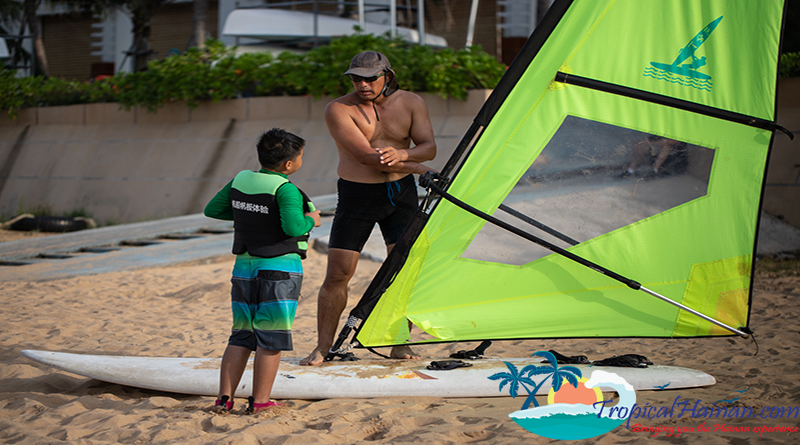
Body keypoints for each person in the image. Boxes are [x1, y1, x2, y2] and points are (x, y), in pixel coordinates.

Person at [300, 51, 437, 366]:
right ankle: (323, 347)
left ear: (387, 75)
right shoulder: (338, 109)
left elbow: (428, 146)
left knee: (402, 269)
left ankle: (399, 343)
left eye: (369, 78)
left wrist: (402, 157)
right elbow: (365, 156)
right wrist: (414, 165)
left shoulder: (412, 103)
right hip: (358, 196)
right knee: (338, 272)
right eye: (356, 78)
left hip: (401, 196)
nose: (362, 84)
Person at [204, 128, 322, 414]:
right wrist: (312, 221)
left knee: (242, 334)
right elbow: (294, 228)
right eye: (301, 156)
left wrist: (253, 213)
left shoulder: (241, 179)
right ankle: (260, 402)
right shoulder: (286, 189)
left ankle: (224, 399)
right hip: (279, 270)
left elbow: (213, 210)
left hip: (244, 267)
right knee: (271, 337)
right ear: (289, 164)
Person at [622, 135, 688, 178]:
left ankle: (654, 171)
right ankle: (630, 170)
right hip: (655, 155)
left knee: (665, 148)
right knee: (640, 145)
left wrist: (651, 143)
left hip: (673, 160)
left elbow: (673, 141)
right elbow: (649, 140)